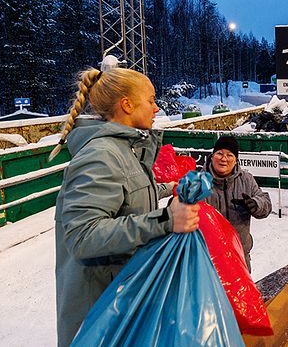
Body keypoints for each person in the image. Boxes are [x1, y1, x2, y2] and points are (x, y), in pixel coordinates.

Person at [51, 67, 200, 347]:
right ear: (127, 104)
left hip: (123, 305)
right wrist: (166, 220)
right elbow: (82, 236)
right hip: (100, 320)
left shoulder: (125, 151)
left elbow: (129, 197)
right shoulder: (101, 155)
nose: (157, 108)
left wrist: (171, 188)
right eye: (151, 100)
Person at [202, 135, 272, 272]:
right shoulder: (198, 182)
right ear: (212, 156)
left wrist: (255, 204)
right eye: (219, 153)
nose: (224, 159)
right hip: (209, 259)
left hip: (240, 256)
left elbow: (266, 202)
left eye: (229, 155)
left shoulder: (246, 179)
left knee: (243, 293)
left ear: (235, 160)